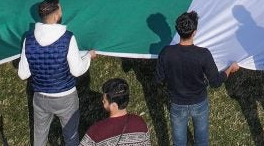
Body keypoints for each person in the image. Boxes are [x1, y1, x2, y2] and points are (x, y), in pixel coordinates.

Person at [17, 0, 95, 146]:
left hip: (40, 98)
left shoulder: (29, 40)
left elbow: (23, 74)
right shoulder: (67, 38)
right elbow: (77, 70)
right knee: (70, 136)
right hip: (65, 98)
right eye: (60, 9)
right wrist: (88, 57)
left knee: (39, 137)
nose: (62, 12)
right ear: (55, 15)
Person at [156, 11, 239, 146]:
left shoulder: (166, 53)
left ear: (177, 30)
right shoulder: (203, 54)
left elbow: (159, 80)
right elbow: (215, 82)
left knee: (179, 143)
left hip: (177, 103)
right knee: (202, 142)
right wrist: (229, 69)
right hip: (199, 103)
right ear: (194, 32)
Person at [81, 78, 150, 146]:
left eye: (104, 100)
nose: (102, 101)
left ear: (114, 105)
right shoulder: (140, 123)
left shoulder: (96, 131)